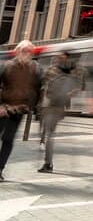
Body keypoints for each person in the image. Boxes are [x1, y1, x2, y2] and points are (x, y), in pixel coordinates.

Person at [0, 40, 44, 181]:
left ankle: (0, 169)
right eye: (24, 51)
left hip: (19, 110)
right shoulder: (6, 66)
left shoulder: (35, 69)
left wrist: (34, 107)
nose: (27, 54)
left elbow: (39, 88)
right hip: (3, 107)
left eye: (30, 51)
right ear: (17, 51)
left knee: (8, 139)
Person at [38, 52, 83, 173]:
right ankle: (49, 162)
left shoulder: (52, 70)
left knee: (49, 135)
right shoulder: (73, 72)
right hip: (58, 107)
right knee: (50, 134)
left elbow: (43, 86)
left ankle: (48, 163)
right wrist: (66, 96)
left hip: (50, 106)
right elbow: (77, 89)